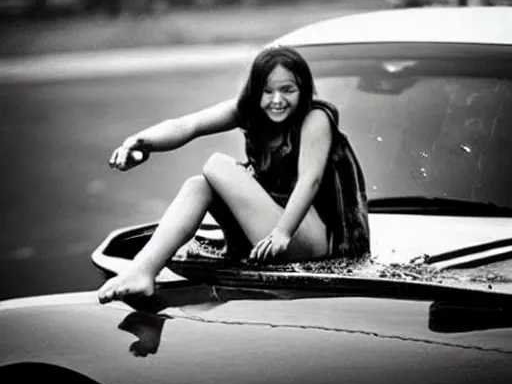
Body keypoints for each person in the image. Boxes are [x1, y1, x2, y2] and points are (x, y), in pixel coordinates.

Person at [98, 46, 370, 304]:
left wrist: (282, 233)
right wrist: (139, 142)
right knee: (198, 186)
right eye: (267, 91)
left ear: (304, 89)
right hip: (271, 234)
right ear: (255, 92)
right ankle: (143, 271)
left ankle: (244, 244)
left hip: (315, 241)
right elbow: (188, 125)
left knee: (217, 165)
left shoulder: (315, 119)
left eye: (288, 90)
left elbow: (310, 180)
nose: (277, 100)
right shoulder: (250, 112)